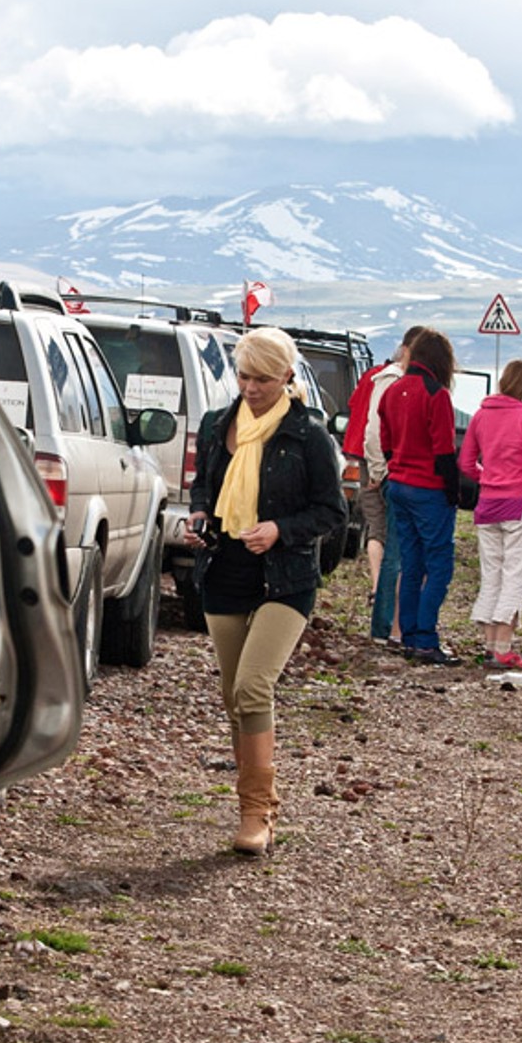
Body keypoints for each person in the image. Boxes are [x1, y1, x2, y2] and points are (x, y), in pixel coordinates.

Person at [182, 327, 346, 854]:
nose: (251, 388)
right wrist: (201, 515)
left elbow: (332, 513)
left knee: (253, 688)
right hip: (223, 571)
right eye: (245, 376)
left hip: (286, 578)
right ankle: (249, 807)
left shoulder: (309, 436)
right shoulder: (216, 425)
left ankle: (259, 813)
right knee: (235, 700)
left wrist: (281, 529)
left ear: (287, 378)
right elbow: (203, 484)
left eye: (263, 379)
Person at [457, 359, 522, 669]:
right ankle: (503, 647)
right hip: (521, 507)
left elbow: (465, 463)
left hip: (488, 506)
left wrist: (486, 478)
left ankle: (489, 646)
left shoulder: (480, 417)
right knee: (514, 577)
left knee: (492, 576)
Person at [378, 327, 464, 665]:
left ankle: (411, 635)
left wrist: (395, 467)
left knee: (411, 563)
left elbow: (385, 441)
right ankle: (426, 638)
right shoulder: (436, 394)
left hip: (399, 483)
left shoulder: (393, 389)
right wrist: (453, 492)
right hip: (427, 487)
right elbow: (444, 450)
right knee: (439, 565)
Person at [355, 325, 425, 646]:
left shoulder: (385, 378)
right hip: (389, 472)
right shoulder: (393, 380)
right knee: (395, 550)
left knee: (385, 541)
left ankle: (390, 625)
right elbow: (375, 429)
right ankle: (387, 626)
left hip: (383, 469)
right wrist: (381, 470)